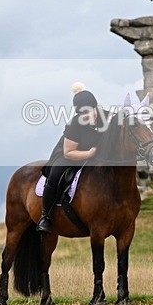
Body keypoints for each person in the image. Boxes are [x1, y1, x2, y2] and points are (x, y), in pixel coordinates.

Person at [36, 83, 104, 234]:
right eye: (82, 114)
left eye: (89, 112)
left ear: (95, 107)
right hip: (68, 155)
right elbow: (69, 153)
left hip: (95, 154)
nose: (86, 117)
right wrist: (90, 154)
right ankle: (45, 216)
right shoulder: (74, 125)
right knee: (54, 175)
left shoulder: (107, 117)